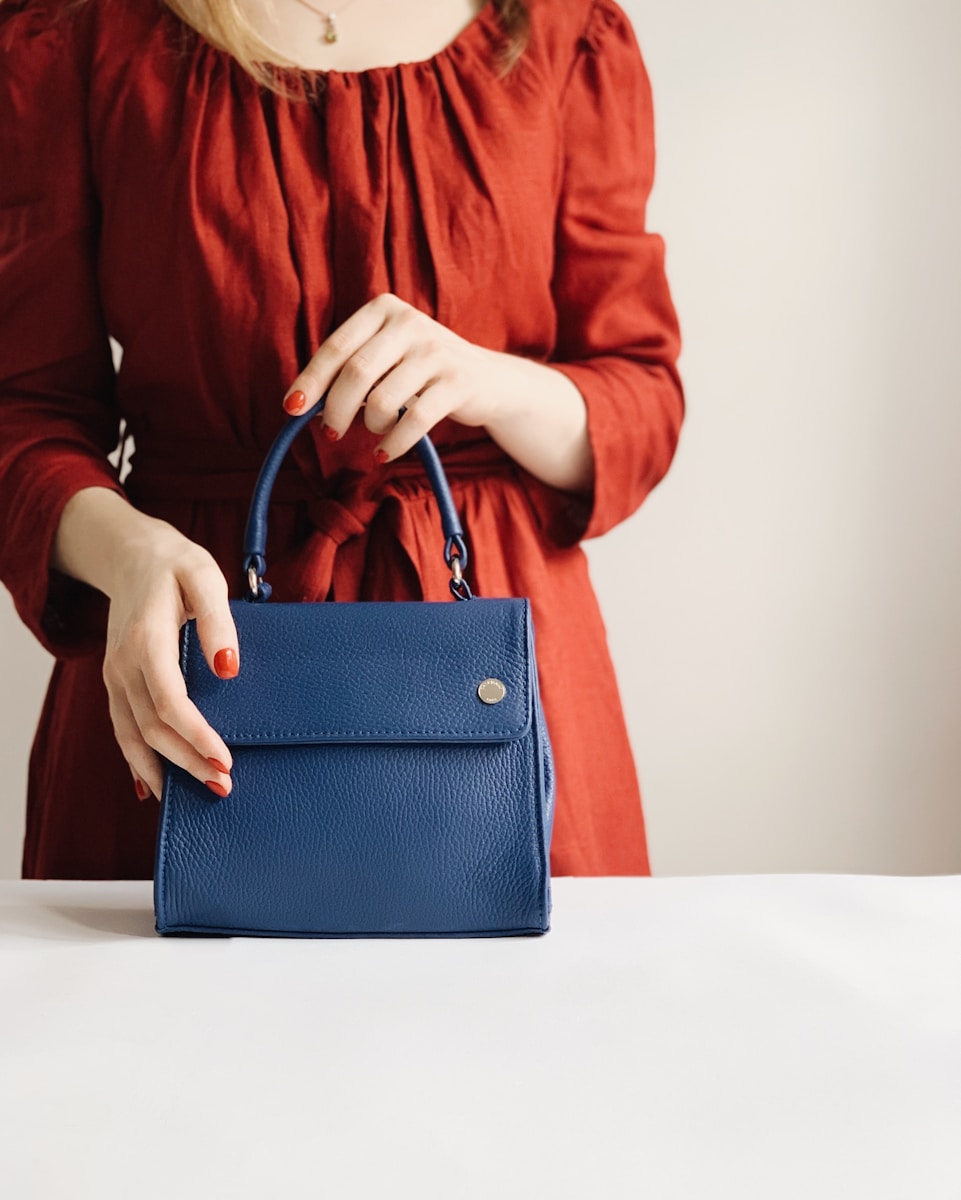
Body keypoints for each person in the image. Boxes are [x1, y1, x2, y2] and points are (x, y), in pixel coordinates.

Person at [0, 0, 683, 879]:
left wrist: (488, 382)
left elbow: (640, 393)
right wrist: (125, 551)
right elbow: (24, 407)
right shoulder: (76, 30)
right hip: (186, 661)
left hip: (498, 684)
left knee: (524, 1009)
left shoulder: (565, 31)